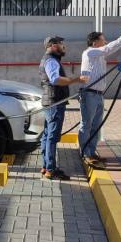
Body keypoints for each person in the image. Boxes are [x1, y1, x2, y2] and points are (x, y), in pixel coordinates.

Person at [79, 29, 121, 165]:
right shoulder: (90, 52)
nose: (105, 42)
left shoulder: (99, 56)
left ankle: (92, 152)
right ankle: (86, 153)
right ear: (95, 42)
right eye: (103, 39)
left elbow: (107, 49)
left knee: (96, 126)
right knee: (87, 125)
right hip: (89, 94)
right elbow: (108, 48)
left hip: (98, 95)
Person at [39, 36, 89, 180]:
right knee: (52, 137)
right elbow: (55, 79)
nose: (63, 46)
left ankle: (46, 166)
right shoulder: (51, 60)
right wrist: (76, 79)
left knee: (47, 135)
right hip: (54, 103)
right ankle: (50, 169)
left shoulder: (48, 59)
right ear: (53, 45)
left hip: (50, 102)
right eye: (61, 44)